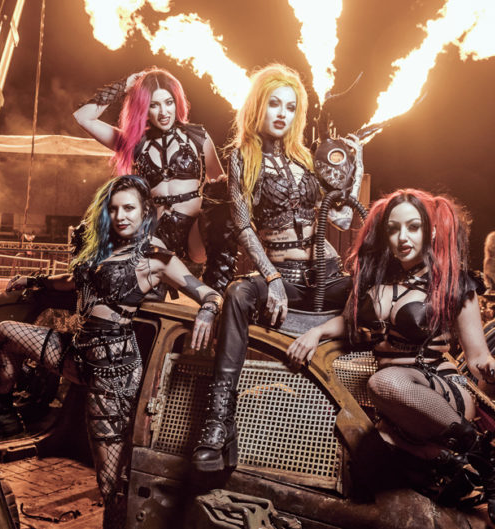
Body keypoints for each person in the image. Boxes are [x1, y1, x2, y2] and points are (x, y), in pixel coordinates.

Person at [0, 175, 223, 529]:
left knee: (110, 482)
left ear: (144, 211)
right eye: (113, 209)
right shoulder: (100, 248)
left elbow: (209, 294)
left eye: (128, 208)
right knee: (7, 333)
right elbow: (71, 281)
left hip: (113, 372)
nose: (120, 216)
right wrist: (34, 281)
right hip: (76, 353)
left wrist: (208, 311)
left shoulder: (154, 255)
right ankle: (3, 415)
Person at [286, 189, 495, 528]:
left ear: (430, 231)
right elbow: (348, 321)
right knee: (362, 465)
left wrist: (491, 367)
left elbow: (477, 357)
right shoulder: (374, 279)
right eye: (394, 229)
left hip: (442, 390)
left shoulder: (454, 283)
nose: (402, 237)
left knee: (384, 381)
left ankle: (491, 462)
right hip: (395, 407)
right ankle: (453, 469)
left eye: (413, 227)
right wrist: (316, 332)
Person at [191, 64, 352, 473]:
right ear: (258, 106)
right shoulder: (242, 158)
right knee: (238, 293)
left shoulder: (307, 158)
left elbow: (344, 218)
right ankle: (218, 422)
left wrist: (351, 170)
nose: (282, 113)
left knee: (376, 293)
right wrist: (273, 277)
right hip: (285, 278)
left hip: (328, 275)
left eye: (290, 107)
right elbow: (243, 226)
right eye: (274, 104)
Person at [74, 67, 236, 293]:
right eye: (154, 105)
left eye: (168, 103)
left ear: (177, 102)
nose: (164, 112)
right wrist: (125, 85)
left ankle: (217, 293)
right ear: (143, 108)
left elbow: (218, 183)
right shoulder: (133, 142)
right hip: (154, 236)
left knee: (221, 207)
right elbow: (83, 117)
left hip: (195, 236)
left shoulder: (198, 136)